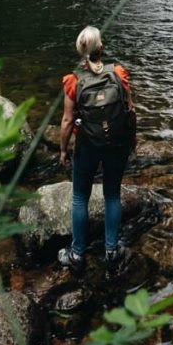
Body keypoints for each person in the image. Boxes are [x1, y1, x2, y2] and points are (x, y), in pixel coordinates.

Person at [58, 25, 135, 273]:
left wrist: (62, 151)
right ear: (101, 48)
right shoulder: (119, 74)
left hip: (87, 146)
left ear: (81, 50)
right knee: (112, 194)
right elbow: (130, 110)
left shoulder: (73, 81)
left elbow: (68, 121)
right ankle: (111, 251)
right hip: (116, 145)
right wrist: (132, 142)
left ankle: (77, 254)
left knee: (81, 197)